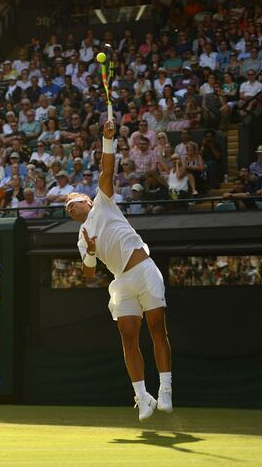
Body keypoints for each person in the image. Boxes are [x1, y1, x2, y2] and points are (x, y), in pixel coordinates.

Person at [65, 119, 172, 422]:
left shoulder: (104, 201)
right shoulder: (80, 237)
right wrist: (90, 251)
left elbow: (107, 169)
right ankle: (142, 397)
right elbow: (88, 274)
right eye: (67, 209)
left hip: (144, 269)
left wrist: (107, 139)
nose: (70, 209)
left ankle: (165, 389)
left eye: (73, 203)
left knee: (157, 329)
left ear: (86, 200)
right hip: (120, 283)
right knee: (128, 339)